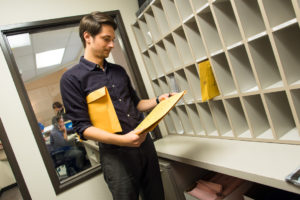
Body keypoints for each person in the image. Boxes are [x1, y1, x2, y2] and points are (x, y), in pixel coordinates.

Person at [60, 11, 172, 200]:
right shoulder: (71, 79)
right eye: (106, 39)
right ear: (87, 36)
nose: (112, 44)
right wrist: (124, 140)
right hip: (116, 155)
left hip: (145, 146)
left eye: (113, 39)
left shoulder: (118, 71)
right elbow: (83, 128)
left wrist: (160, 100)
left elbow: (137, 104)